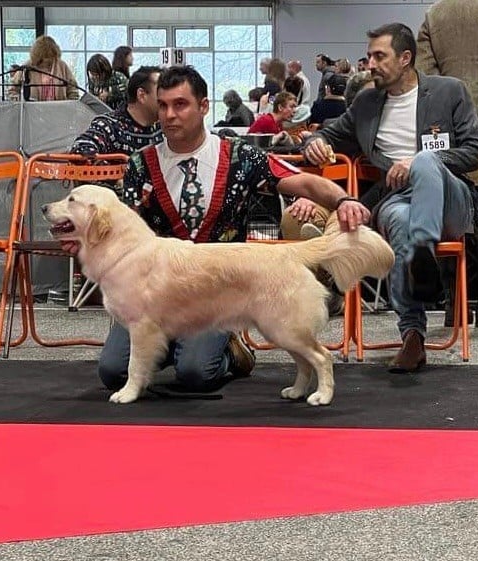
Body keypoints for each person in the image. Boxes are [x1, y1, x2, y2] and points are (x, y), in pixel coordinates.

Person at [74, 64, 388, 394]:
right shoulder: (141, 164)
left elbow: (304, 181)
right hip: (153, 294)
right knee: (111, 372)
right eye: (163, 105)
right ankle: (166, 349)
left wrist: (343, 201)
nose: (169, 114)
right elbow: (122, 229)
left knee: (197, 375)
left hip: (218, 293)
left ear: (204, 106)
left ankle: (232, 351)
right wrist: (82, 237)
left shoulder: (239, 155)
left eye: (180, 104)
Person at [303, 22, 478, 372]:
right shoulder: (366, 103)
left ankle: (422, 248)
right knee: (400, 221)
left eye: (379, 56)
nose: (370, 64)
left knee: (427, 160)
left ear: (405, 58)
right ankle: (413, 336)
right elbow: (328, 133)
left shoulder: (450, 92)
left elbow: (476, 151)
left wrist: (418, 162)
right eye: (369, 56)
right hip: (397, 202)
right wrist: (315, 143)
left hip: (450, 198)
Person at [416, 0, 478, 328]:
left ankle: (454, 303)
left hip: (444, 133)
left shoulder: (433, 15)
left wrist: (454, 112)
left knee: (448, 215)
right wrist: (473, 111)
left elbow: (425, 72)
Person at [70, 65, 163, 157]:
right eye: (161, 91)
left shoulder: (164, 128)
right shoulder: (111, 126)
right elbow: (80, 147)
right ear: (142, 95)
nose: (166, 97)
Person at [7, 35, 79, 101]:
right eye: (44, 58)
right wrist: (21, 102)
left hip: (59, 111)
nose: (47, 60)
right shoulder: (27, 66)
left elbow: (73, 89)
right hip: (33, 112)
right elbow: (12, 90)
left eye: (50, 57)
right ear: (37, 56)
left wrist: (69, 106)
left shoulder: (62, 66)